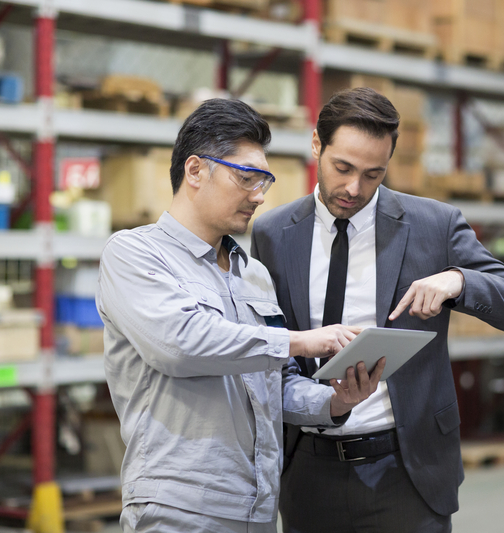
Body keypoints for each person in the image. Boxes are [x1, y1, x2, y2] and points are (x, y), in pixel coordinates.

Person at [250, 87, 504, 533]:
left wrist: (459, 281)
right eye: (342, 168)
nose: (354, 188)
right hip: (307, 472)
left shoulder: (434, 226)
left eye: (373, 174)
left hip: (406, 473)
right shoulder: (274, 234)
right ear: (316, 144)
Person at [96, 98, 385, 533]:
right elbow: (179, 344)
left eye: (264, 180)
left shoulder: (254, 276)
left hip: (258, 508)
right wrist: (300, 340)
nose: (260, 195)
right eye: (247, 178)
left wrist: (336, 401)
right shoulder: (135, 254)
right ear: (195, 171)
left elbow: (273, 382)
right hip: (180, 509)